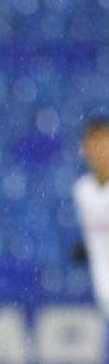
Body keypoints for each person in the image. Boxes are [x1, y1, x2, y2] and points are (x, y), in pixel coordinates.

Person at [74, 118, 109, 320]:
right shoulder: (83, 191)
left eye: (104, 143)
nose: (98, 151)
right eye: (93, 143)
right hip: (103, 298)